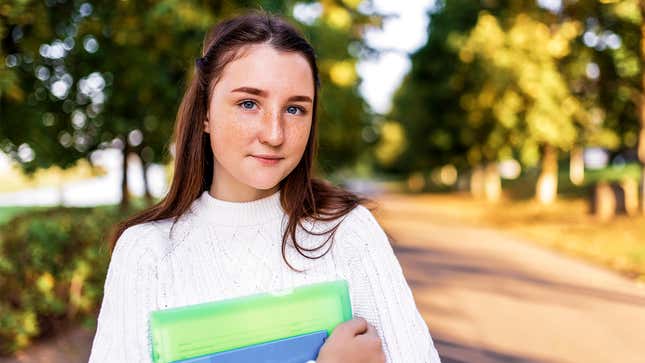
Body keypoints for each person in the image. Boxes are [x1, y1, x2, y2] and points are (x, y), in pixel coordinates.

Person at [88, 10, 441, 363]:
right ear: (206, 113)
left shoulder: (347, 233)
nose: (274, 134)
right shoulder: (148, 254)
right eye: (248, 103)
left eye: (295, 109)